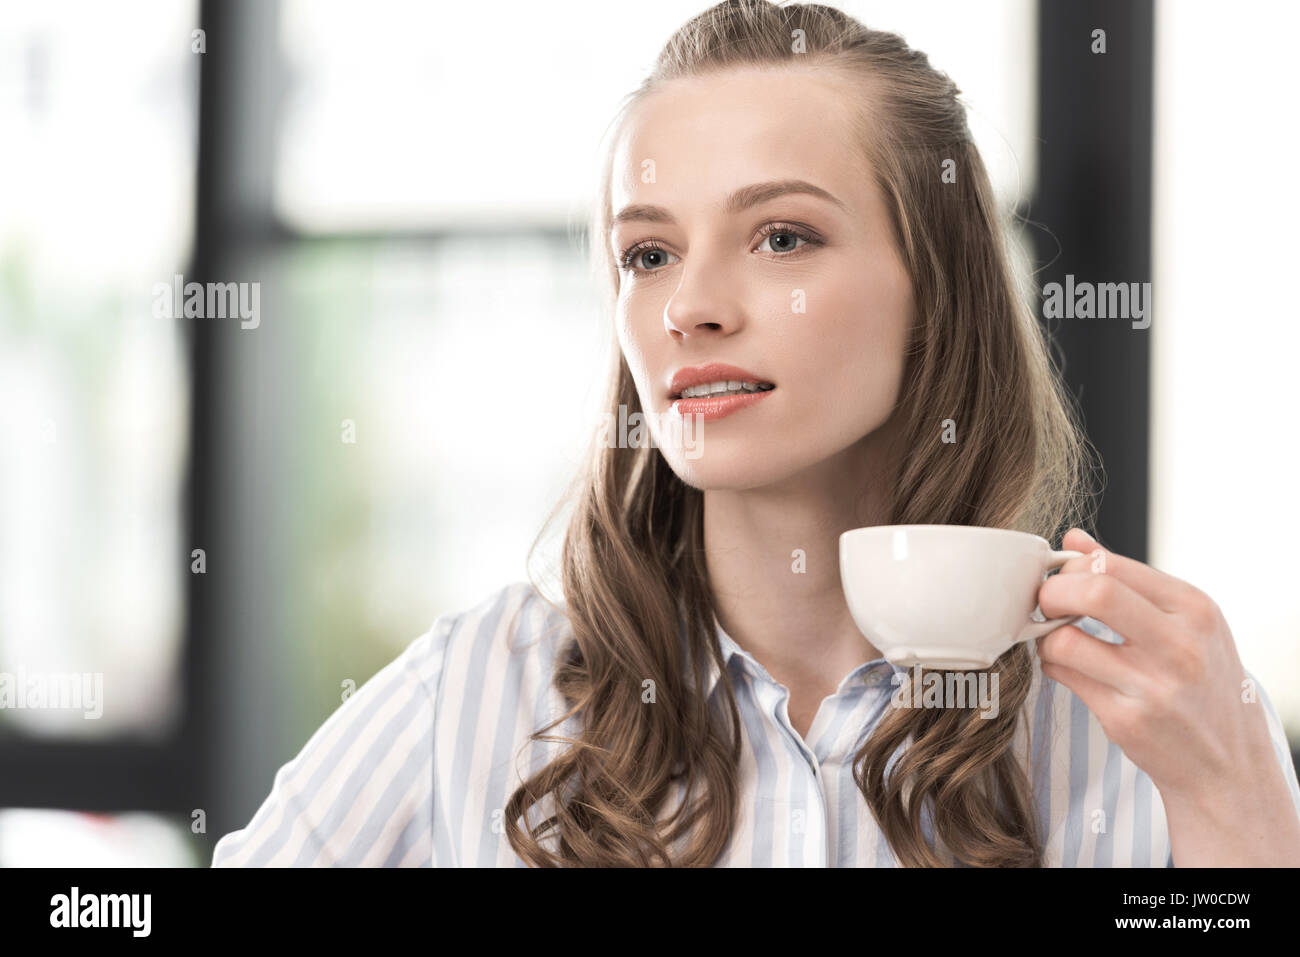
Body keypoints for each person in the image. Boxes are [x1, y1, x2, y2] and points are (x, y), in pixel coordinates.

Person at [211, 0, 1300, 867]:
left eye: (780, 237)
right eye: (647, 254)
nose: (689, 305)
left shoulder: (1129, 728)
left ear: (940, 291)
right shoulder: (478, 693)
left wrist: (1240, 804)